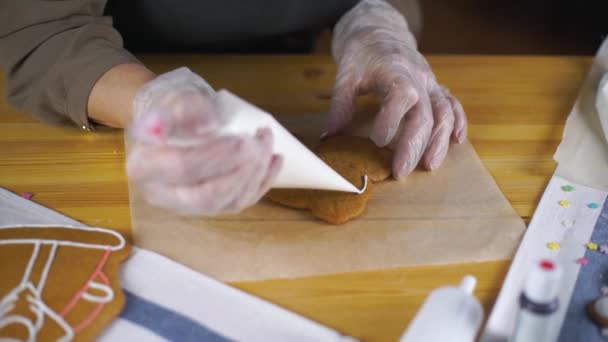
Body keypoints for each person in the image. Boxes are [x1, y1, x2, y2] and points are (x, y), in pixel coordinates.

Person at [0, 0, 467, 215]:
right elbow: (44, 33)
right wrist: (151, 103)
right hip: (116, 77)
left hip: (300, 76)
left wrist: (379, 19)